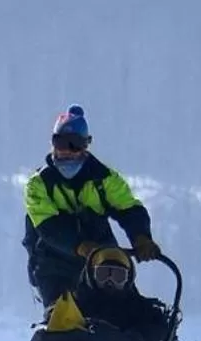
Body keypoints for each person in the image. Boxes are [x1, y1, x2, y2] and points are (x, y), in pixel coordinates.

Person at [21, 104, 159, 311]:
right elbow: (48, 227)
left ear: (86, 145)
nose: (66, 151)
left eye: (73, 144)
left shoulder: (105, 179)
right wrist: (81, 246)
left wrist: (141, 237)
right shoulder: (38, 185)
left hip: (103, 265)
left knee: (130, 314)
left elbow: (129, 209)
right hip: (54, 265)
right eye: (60, 143)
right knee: (62, 321)